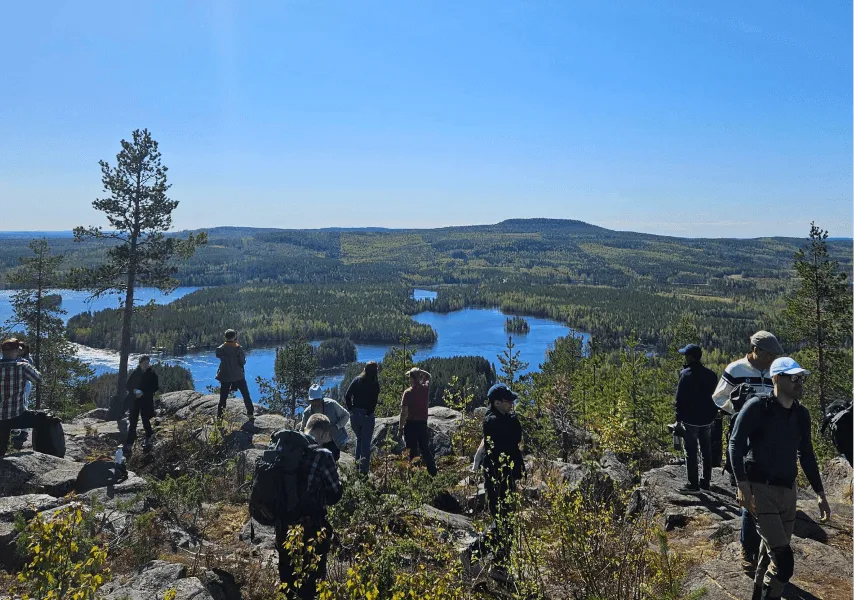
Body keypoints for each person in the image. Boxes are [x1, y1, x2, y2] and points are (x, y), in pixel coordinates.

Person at [729, 357, 830, 600]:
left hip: (788, 492)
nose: (799, 383)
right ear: (776, 378)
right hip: (761, 490)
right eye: (793, 378)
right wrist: (742, 484)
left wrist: (820, 493)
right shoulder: (757, 407)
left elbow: (806, 454)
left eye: (801, 378)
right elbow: (735, 443)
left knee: (769, 553)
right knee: (784, 562)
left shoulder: (801, 414)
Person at [713, 330, 783, 576]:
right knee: (749, 494)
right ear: (757, 350)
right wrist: (742, 410)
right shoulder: (735, 369)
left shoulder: (774, 370)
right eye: (770, 354)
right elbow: (718, 398)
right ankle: (748, 549)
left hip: (770, 439)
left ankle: (764, 545)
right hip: (744, 437)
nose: (773, 358)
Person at [275, 413, 343, 599]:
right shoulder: (323, 455)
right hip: (310, 528)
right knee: (311, 580)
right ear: (323, 433)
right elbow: (334, 495)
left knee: (286, 578)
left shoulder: (285, 447)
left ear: (307, 426)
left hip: (282, 525)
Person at [463, 383, 525, 582]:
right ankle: (471, 554)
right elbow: (514, 436)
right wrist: (513, 421)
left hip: (505, 477)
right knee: (502, 524)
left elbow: (515, 436)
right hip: (498, 480)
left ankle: (499, 567)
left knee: (507, 524)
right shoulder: (493, 421)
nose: (512, 404)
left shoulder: (503, 418)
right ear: (497, 403)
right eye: (508, 401)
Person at [673, 344, 719, 493]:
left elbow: (679, 399)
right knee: (706, 450)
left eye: (686, 355)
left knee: (691, 451)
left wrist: (678, 419)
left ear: (690, 357)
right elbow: (716, 397)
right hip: (707, 420)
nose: (684, 357)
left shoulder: (685, 375)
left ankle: (693, 485)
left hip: (690, 420)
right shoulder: (711, 375)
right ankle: (705, 482)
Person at [0, 338, 43, 457]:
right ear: (15, 351)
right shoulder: (23, 366)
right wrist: (27, 364)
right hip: (17, 415)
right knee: (45, 420)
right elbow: (38, 379)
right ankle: (45, 455)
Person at [399, 367, 436, 476]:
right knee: (425, 449)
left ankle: (414, 475)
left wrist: (400, 428)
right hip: (422, 424)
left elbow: (404, 413)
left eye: (409, 377)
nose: (408, 379)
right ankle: (433, 472)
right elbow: (429, 376)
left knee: (411, 451)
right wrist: (420, 372)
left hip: (410, 424)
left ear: (411, 378)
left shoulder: (408, 392)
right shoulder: (425, 388)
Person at [344, 361, 380, 474]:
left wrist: (352, 410)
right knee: (365, 444)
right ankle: (363, 472)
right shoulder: (375, 384)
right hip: (367, 416)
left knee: (358, 440)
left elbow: (347, 396)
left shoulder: (357, 380)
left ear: (364, 369)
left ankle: (356, 467)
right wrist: (369, 412)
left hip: (355, 416)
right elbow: (374, 401)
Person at [301, 384, 349, 461]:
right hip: (316, 444)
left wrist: (336, 427)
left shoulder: (332, 404)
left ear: (321, 398)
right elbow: (303, 429)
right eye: (313, 401)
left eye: (317, 400)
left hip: (333, 441)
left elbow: (346, 415)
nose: (315, 403)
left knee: (333, 460)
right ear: (310, 401)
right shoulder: (307, 412)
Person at [215, 329, 254, 420]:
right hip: (238, 375)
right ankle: (250, 413)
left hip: (225, 376)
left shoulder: (220, 349)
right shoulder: (238, 348)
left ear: (225, 337)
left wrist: (225, 344)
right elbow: (242, 362)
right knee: (245, 394)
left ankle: (220, 418)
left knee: (223, 398)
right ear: (234, 337)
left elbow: (218, 355)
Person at [124, 355, 159, 451]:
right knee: (133, 422)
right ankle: (129, 443)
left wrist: (144, 392)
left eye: (147, 363)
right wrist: (134, 390)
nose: (146, 365)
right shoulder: (135, 373)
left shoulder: (152, 373)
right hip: (135, 401)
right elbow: (128, 385)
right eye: (144, 363)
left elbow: (155, 387)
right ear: (140, 364)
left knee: (145, 420)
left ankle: (149, 438)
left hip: (146, 400)